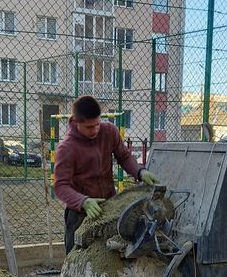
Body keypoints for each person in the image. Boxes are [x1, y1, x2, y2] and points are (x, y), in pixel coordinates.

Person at [54, 95, 159, 253]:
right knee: (76, 258)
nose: (95, 129)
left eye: (97, 124)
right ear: (76, 123)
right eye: (90, 127)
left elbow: (124, 157)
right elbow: (61, 186)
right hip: (80, 213)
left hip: (110, 207)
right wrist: (83, 201)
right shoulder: (67, 148)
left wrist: (140, 171)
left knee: (112, 255)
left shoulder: (109, 131)